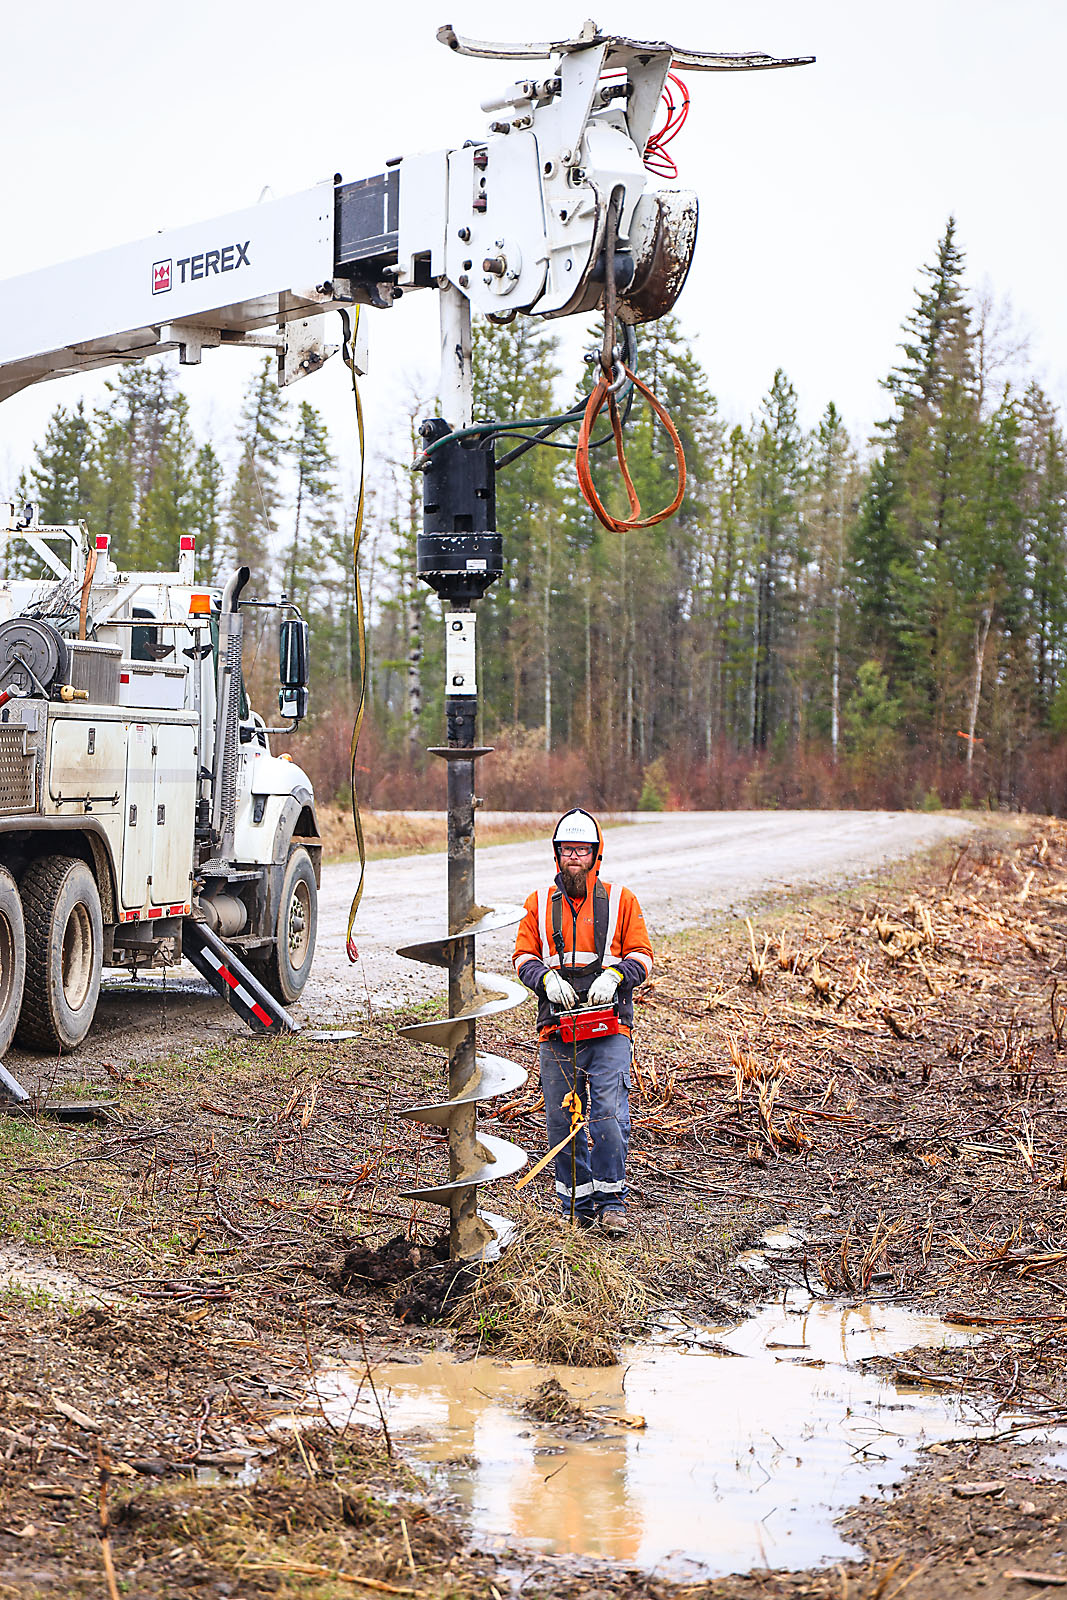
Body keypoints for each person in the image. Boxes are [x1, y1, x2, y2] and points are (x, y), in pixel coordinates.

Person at [513, 809, 653, 1237]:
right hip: (557, 1029)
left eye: (582, 850)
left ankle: (612, 1202)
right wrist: (544, 979)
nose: (575, 857)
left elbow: (643, 956)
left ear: (596, 854)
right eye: (567, 850)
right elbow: (522, 956)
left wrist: (616, 976)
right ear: (557, 855)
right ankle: (576, 1202)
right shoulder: (537, 902)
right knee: (562, 1118)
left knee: (608, 1114)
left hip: (610, 1028)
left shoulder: (622, 899)